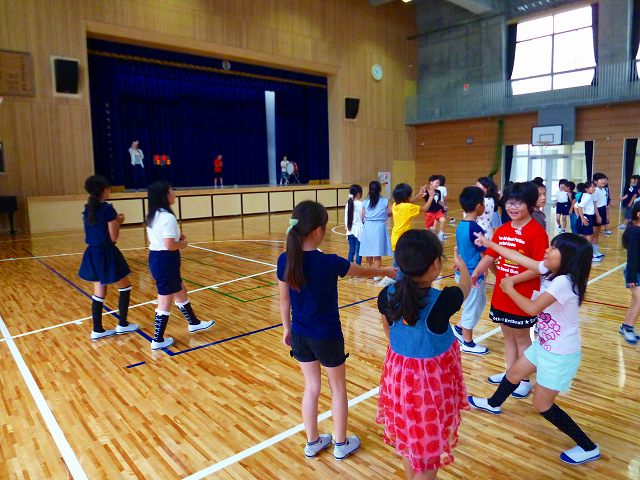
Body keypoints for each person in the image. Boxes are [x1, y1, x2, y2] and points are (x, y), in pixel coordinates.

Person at [277, 200, 396, 460]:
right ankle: (341, 444)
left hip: (300, 334)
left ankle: (312, 442)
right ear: (318, 231)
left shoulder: (286, 259)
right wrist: (387, 270)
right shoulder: (329, 262)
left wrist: (286, 328)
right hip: (327, 336)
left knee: (311, 388)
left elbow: (284, 299)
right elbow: (362, 271)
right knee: (338, 388)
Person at [469, 233, 601, 465]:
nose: (547, 250)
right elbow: (516, 256)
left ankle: (588, 447)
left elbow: (532, 309)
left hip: (560, 354)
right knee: (514, 374)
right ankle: (493, 403)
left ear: (568, 257)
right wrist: (490, 244)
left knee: (542, 405)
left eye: (554, 248)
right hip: (545, 344)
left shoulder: (564, 282)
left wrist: (509, 287)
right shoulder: (551, 272)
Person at [376, 229, 470, 479]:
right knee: (429, 456)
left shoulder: (386, 295)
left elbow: (389, 333)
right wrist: (462, 267)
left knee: (411, 441)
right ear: (435, 265)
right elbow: (466, 287)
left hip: (399, 380)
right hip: (431, 386)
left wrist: (408, 349)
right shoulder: (444, 300)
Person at [471, 182, 549, 399]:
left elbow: (539, 268)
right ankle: (511, 374)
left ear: (530, 204)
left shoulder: (537, 232)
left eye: (519, 203)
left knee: (522, 338)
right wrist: (476, 272)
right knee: (507, 335)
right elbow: (490, 256)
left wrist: (512, 281)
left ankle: (523, 380)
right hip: (502, 293)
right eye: (510, 203)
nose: (513, 207)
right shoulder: (503, 230)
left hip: (522, 295)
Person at [146, 181, 215, 350]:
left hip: (157, 258)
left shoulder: (154, 215)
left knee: (180, 289)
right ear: (165, 195)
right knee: (165, 300)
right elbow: (169, 245)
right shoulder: (167, 217)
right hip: (165, 259)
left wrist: (176, 236)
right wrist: (182, 244)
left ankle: (194, 322)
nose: (174, 193)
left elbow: (164, 238)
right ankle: (157, 339)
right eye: (171, 191)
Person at [78, 175, 139, 340]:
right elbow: (113, 237)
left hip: (92, 253)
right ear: (104, 190)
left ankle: (97, 329)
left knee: (99, 291)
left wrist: (115, 221)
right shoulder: (107, 209)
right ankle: (123, 324)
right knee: (125, 286)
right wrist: (119, 221)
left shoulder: (88, 208)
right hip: (107, 252)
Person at [452, 186, 489, 354]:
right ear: (479, 206)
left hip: (463, 273)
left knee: (477, 304)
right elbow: (485, 255)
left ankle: (459, 328)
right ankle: (467, 343)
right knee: (472, 307)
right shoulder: (475, 229)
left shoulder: (461, 225)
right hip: (472, 276)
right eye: (483, 203)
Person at [359, 181, 393, 276]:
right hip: (379, 227)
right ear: (380, 190)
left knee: (368, 252)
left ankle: (369, 273)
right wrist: (384, 214)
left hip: (368, 227)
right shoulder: (385, 201)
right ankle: (376, 275)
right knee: (377, 253)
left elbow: (363, 216)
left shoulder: (365, 202)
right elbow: (392, 211)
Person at [390, 182, 431, 252]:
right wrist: (431, 197)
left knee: (397, 258)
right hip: (403, 240)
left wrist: (419, 194)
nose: (411, 196)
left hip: (394, 239)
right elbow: (425, 208)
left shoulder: (395, 205)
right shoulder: (408, 207)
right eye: (410, 195)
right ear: (407, 197)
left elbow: (408, 202)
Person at [620, 202, 640, 344]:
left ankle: (625, 326)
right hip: (634, 273)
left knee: (635, 301)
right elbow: (632, 256)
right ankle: (628, 328)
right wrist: (631, 277)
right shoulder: (635, 232)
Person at [575, 181, 599, 263]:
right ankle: (589, 257)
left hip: (584, 217)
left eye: (594, 187)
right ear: (586, 189)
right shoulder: (588, 196)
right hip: (587, 218)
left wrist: (579, 217)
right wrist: (582, 218)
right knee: (588, 240)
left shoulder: (583, 195)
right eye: (592, 187)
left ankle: (581, 256)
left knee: (582, 239)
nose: (594, 188)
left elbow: (576, 206)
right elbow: (579, 207)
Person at [344, 184, 364, 265]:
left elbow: (346, 218)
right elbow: (363, 217)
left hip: (350, 230)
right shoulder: (361, 204)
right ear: (358, 194)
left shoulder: (348, 204)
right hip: (358, 231)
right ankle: (358, 268)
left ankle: (349, 268)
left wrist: (347, 228)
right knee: (359, 252)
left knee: (351, 251)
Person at [424, 175, 446, 241]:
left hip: (437, 210)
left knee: (443, 220)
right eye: (436, 182)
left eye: (438, 183)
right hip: (430, 212)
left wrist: (444, 206)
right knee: (427, 228)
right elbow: (422, 196)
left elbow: (439, 201)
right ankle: (425, 238)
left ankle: (441, 234)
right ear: (431, 182)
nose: (438, 184)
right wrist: (422, 193)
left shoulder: (438, 191)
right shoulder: (426, 191)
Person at [591, 173, 608, 259]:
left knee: (597, 233)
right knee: (593, 233)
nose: (603, 181)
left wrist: (605, 216)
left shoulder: (604, 190)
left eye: (604, 179)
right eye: (601, 179)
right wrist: (598, 216)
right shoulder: (595, 191)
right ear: (595, 181)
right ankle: (591, 252)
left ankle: (595, 251)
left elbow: (604, 204)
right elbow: (594, 205)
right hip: (596, 212)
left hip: (602, 211)